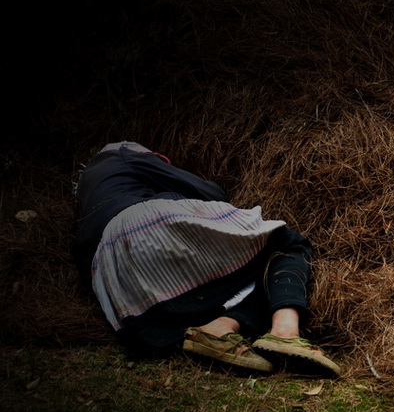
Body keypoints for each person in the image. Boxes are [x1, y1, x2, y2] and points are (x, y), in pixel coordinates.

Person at [72, 141, 340, 377]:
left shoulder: (90, 187)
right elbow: (209, 192)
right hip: (148, 222)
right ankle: (285, 332)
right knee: (285, 243)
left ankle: (218, 329)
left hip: (111, 266)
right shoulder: (122, 151)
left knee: (245, 277)